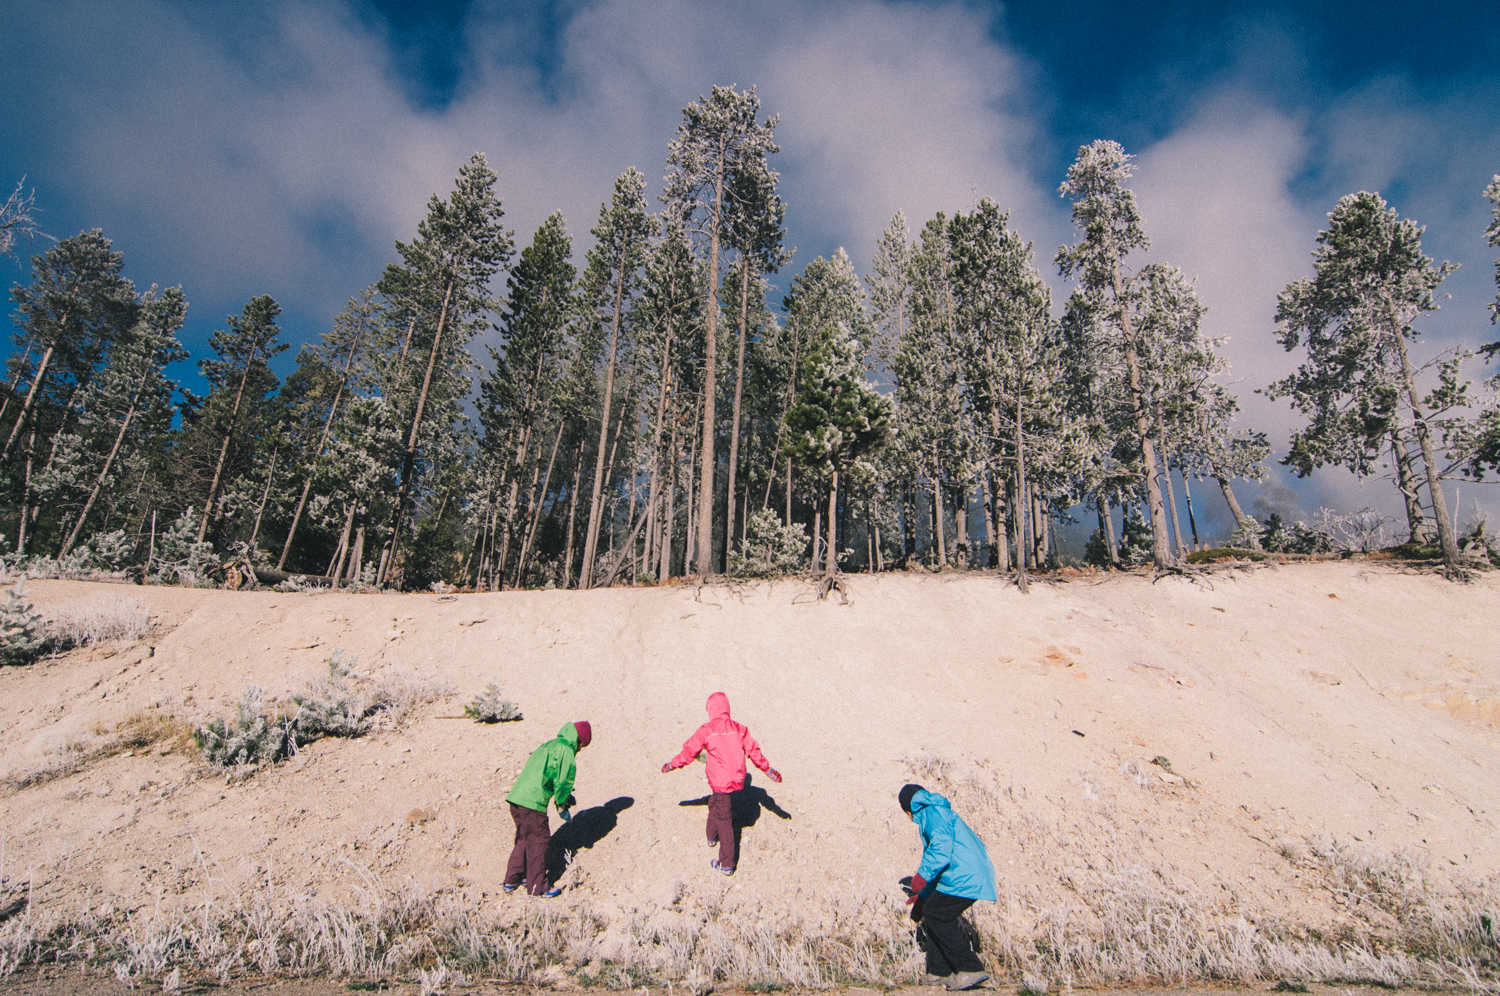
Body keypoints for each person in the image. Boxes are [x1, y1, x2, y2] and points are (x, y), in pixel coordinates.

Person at [661, 692, 781, 876]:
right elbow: (754, 751)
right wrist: (768, 770)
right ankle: (711, 836)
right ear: (727, 709)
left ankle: (727, 863)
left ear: (710, 710)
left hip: (720, 781)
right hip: (736, 778)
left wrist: (671, 765)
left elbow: (689, 752)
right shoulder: (738, 728)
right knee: (714, 802)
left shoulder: (707, 729)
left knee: (725, 818)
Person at [899, 783, 995, 991]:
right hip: (961, 874)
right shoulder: (933, 811)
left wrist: (919, 878)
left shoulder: (932, 813)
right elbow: (938, 870)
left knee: (936, 913)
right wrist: (922, 898)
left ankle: (970, 968)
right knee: (932, 910)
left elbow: (941, 849)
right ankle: (938, 971)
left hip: (966, 875)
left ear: (908, 811)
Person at [503, 720, 591, 897]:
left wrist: (565, 797)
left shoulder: (552, 744)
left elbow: (547, 775)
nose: (580, 750)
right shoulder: (566, 749)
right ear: (579, 741)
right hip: (532, 802)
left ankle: (513, 878)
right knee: (539, 840)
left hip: (517, 797)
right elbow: (564, 782)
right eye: (582, 746)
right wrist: (562, 803)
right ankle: (538, 887)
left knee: (524, 838)